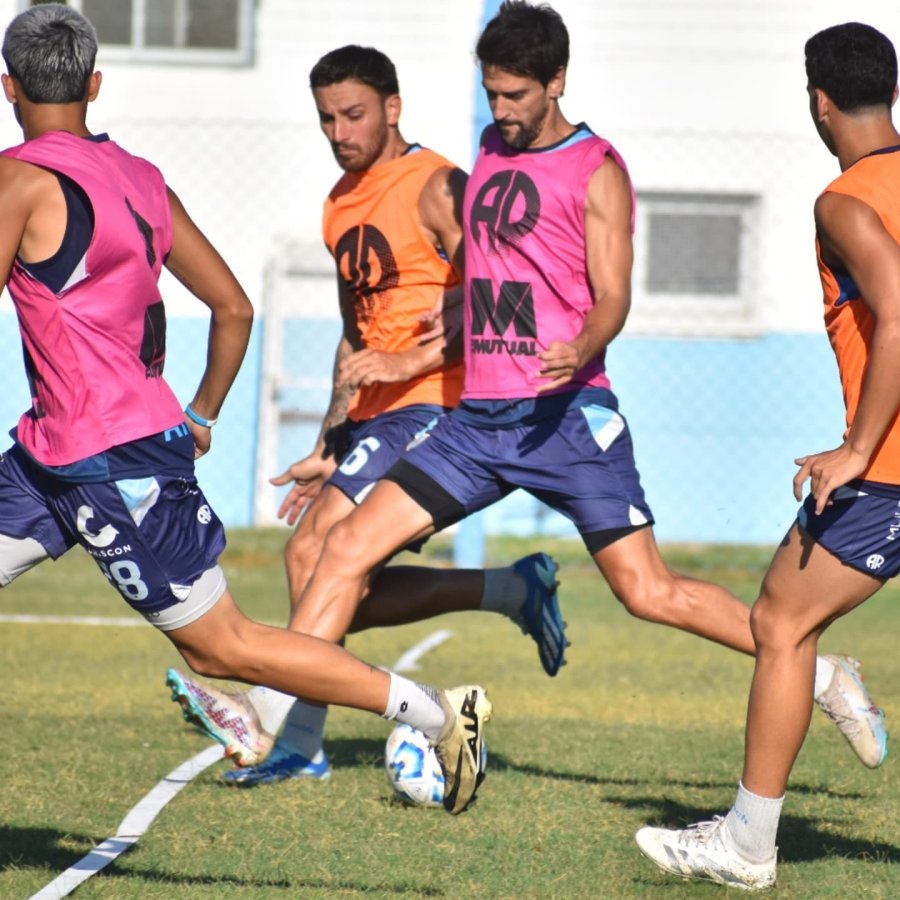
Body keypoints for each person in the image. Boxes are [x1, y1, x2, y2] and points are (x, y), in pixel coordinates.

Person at [170, 1, 886, 782]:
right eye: (492, 94)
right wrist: (385, 389)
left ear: (557, 82)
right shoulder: (487, 150)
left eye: (515, 95)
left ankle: (821, 673)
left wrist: (581, 342)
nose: (501, 112)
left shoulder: (596, 168)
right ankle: (272, 724)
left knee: (648, 592)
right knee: (337, 552)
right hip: (479, 424)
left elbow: (613, 293)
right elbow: (489, 290)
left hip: (568, 419)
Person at [0, 3, 490, 816]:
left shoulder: (15, 179)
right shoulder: (142, 178)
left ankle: (437, 712)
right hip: (57, 452)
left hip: (109, 463)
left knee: (225, 648)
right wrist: (199, 417)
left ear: (8, 87)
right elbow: (231, 308)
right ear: (94, 84)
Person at [167, 43, 567, 788]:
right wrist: (332, 433)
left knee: (326, 548)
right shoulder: (339, 203)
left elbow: (508, 293)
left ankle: (273, 714)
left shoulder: (440, 184)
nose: (339, 131)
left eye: (353, 114)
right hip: (378, 415)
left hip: (440, 402)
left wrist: (414, 364)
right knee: (316, 565)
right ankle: (508, 590)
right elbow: (358, 330)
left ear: (392, 107)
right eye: (326, 118)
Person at [635, 21, 899, 889]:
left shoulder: (845, 200)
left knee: (781, 623)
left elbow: (899, 315)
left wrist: (858, 446)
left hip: (892, 467)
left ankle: (747, 845)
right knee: (784, 618)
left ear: (818, 101)